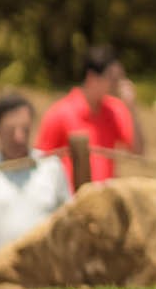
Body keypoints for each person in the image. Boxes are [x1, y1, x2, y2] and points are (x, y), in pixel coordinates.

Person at [36, 45, 145, 189]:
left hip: (104, 198)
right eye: (112, 79)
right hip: (71, 198)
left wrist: (131, 108)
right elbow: (41, 162)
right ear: (92, 77)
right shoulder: (60, 112)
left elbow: (138, 151)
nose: (116, 85)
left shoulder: (114, 110)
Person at [0, 93, 71, 258]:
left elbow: (67, 220)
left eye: (25, 130)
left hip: (44, 267)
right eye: (11, 130)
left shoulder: (50, 166)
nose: (19, 138)